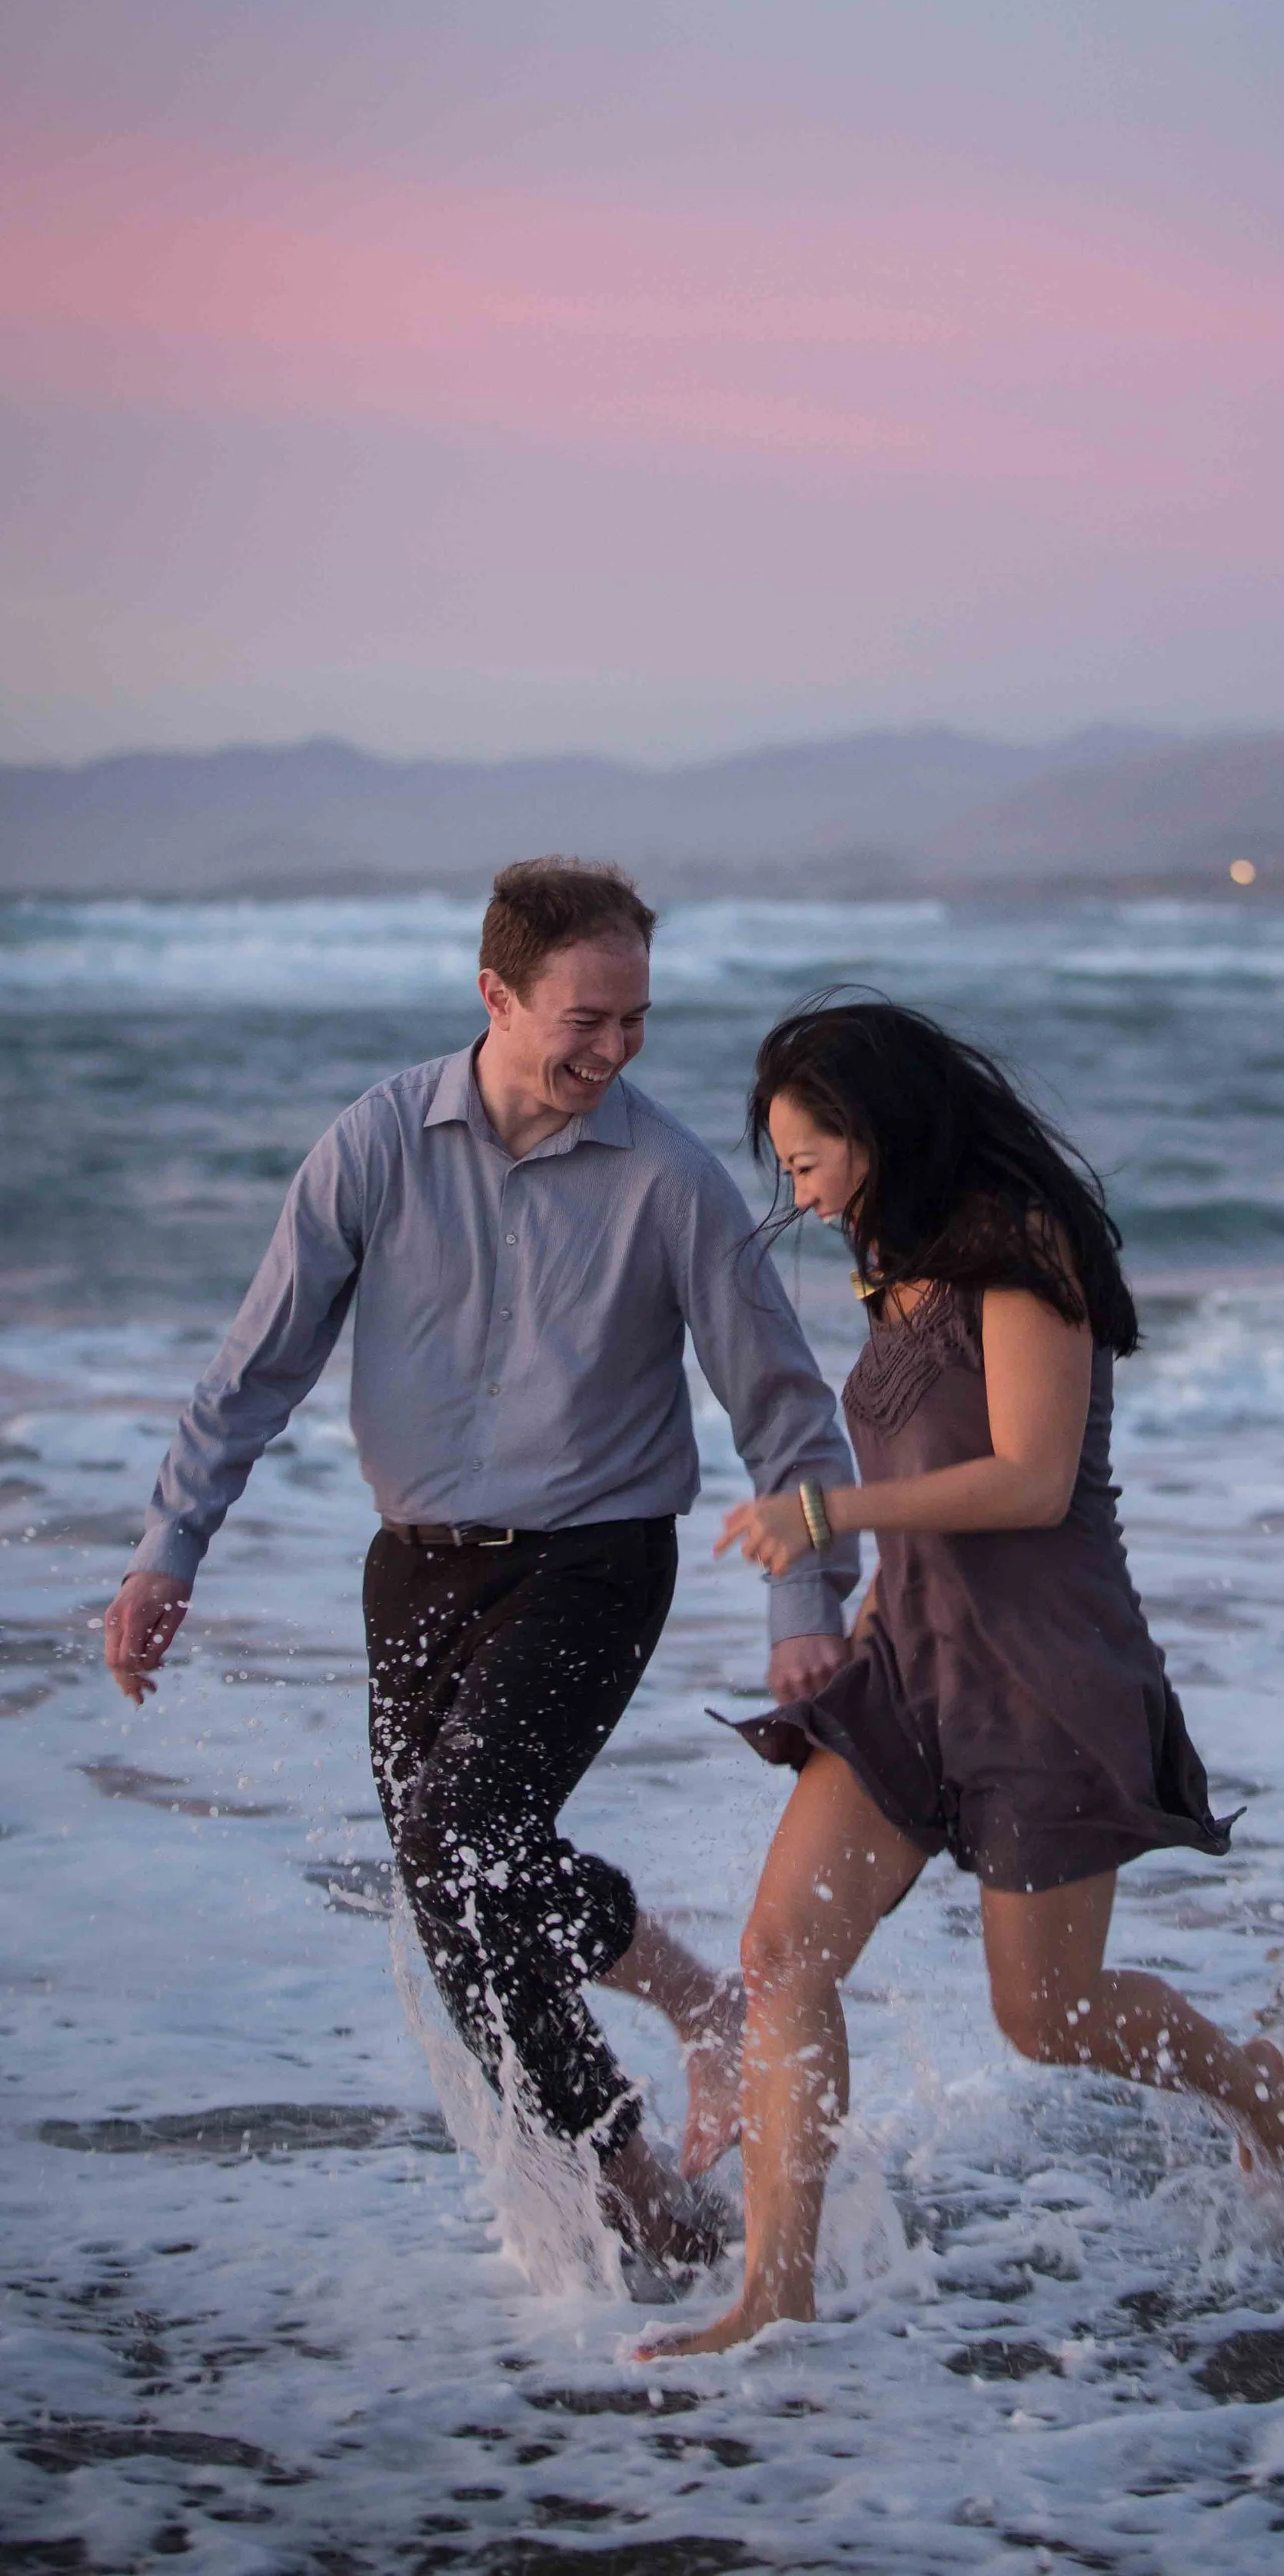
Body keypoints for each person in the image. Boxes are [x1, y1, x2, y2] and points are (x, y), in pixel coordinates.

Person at [101, 859, 859, 2266]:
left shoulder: (672, 1180)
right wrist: (167, 1551)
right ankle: (644, 2196)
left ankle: (695, 2006)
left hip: (598, 1559)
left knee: (465, 1841)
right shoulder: (375, 1143)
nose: (614, 1050)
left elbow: (784, 1407)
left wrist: (803, 1603)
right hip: (417, 1569)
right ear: (496, 996)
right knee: (460, 1907)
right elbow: (256, 1362)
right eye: (587, 1019)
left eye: (636, 1021)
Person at [640, 1000, 1284, 2356]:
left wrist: (825, 1520)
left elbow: (1027, 1478)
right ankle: (778, 2289)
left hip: (1046, 1674)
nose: (799, 1190)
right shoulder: (898, 1269)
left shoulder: (1023, 1249)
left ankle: (1258, 2081)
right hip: (912, 1662)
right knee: (778, 1956)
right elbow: (914, 1471)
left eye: (809, 1159)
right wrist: (864, 1607)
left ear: (875, 1134)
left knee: (1045, 2016)